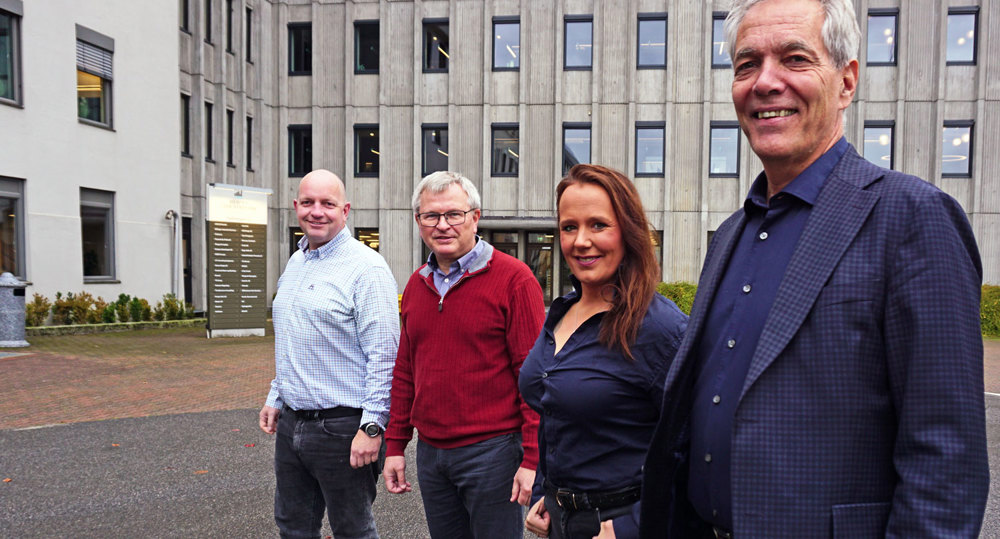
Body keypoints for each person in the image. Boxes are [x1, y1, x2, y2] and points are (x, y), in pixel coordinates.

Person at [639, 0, 989, 537]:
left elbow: (945, 461)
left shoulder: (912, 218)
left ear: (846, 81)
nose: (765, 82)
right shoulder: (730, 234)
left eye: (795, 59)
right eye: (746, 64)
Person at [520, 164, 687, 539]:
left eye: (598, 225)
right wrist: (544, 490)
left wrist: (633, 526)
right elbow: (553, 411)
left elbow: (696, 447)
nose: (580, 241)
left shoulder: (659, 328)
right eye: (569, 227)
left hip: (617, 523)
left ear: (627, 232)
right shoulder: (561, 312)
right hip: (561, 521)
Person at [382, 170, 546, 539]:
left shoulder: (514, 281)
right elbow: (406, 369)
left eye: (453, 214)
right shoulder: (416, 284)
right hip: (432, 454)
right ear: (418, 221)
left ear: (475, 216)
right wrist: (396, 445)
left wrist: (533, 458)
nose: (442, 225)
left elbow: (534, 377)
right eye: (431, 216)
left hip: (494, 454)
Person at [259, 169, 400, 539]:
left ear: (346, 210)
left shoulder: (367, 270)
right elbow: (292, 338)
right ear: (296, 207)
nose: (316, 211)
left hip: (343, 428)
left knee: (352, 530)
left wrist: (372, 426)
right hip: (292, 424)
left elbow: (385, 357)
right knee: (293, 525)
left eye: (328, 203)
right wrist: (277, 394)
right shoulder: (296, 262)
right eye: (308, 202)